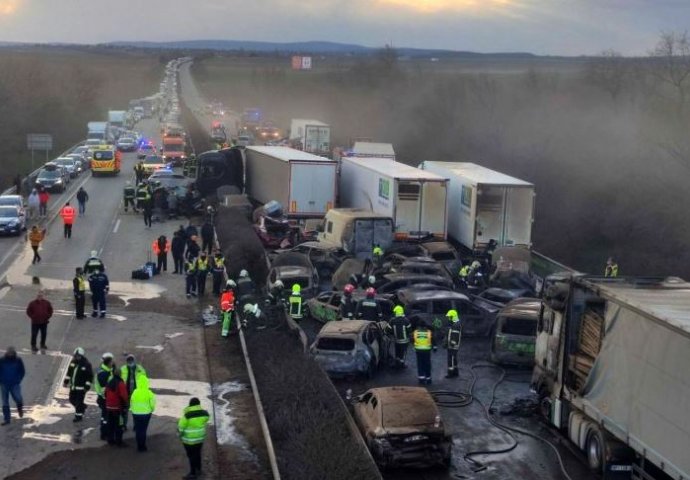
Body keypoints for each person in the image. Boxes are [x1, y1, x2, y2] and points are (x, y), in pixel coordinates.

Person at [178, 397, 210, 479]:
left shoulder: (187, 415)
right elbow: (207, 418)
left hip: (189, 440)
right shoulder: (204, 413)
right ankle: (198, 469)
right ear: (199, 404)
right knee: (197, 453)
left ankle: (192, 474)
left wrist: (180, 435)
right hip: (200, 438)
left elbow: (181, 427)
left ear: (190, 405)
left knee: (191, 456)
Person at [63, 347, 93, 422]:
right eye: (75, 356)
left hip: (81, 388)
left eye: (78, 356)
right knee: (71, 399)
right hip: (73, 387)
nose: (76, 357)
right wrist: (66, 382)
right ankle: (82, 407)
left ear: (81, 356)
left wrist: (87, 386)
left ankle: (78, 416)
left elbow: (90, 376)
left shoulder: (86, 364)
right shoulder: (73, 362)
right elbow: (69, 373)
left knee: (79, 402)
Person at [130, 374, 156, 452]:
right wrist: (151, 410)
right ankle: (143, 446)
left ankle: (139, 446)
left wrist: (133, 410)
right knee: (143, 430)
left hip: (136, 414)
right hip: (146, 414)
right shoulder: (149, 393)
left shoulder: (135, 392)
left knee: (138, 430)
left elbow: (131, 402)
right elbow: (152, 404)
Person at [121, 354, 147, 430]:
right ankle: (123, 425)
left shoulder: (140, 369)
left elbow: (144, 381)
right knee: (124, 411)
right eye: (128, 360)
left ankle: (136, 425)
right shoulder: (122, 369)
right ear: (126, 361)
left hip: (137, 394)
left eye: (131, 360)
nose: (130, 362)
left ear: (134, 360)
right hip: (126, 394)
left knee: (136, 411)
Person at [0, 347, 25, 425]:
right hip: (4, 384)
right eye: (9, 354)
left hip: (14, 384)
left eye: (12, 354)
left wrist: (18, 380)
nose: (10, 355)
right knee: (5, 402)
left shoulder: (18, 360)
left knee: (18, 398)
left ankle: (19, 408)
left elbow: (22, 371)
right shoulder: (2, 360)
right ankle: (7, 419)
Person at [105, 368, 129, 446]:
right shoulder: (120, 383)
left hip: (109, 407)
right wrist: (125, 405)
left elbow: (105, 393)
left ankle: (110, 440)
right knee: (119, 424)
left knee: (110, 424)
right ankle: (119, 442)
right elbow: (124, 396)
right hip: (118, 408)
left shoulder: (109, 382)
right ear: (120, 374)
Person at [95, 352, 115, 440]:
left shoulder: (106, 371)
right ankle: (104, 434)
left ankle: (105, 433)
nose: (113, 363)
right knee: (106, 417)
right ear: (108, 362)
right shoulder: (103, 374)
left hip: (104, 398)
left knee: (105, 416)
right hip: (105, 398)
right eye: (111, 362)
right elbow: (105, 388)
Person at [445, 309, 462, 378]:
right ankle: (455, 372)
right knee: (453, 359)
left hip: (452, 346)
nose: (448, 318)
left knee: (451, 359)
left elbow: (454, 337)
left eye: (449, 317)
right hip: (453, 346)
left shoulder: (455, 325)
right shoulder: (456, 324)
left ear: (453, 317)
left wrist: (451, 344)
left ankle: (451, 374)